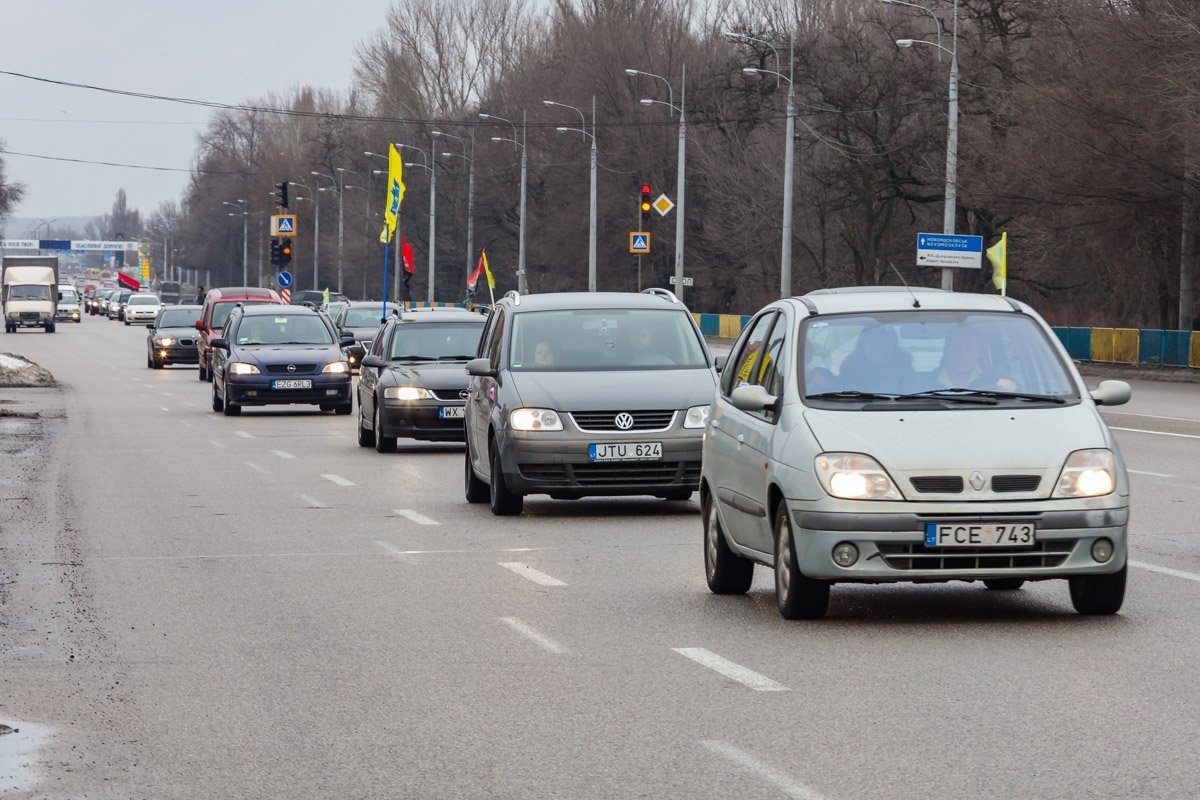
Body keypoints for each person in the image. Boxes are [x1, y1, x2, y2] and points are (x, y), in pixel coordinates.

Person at [836, 325, 912, 393]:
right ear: (863, 347)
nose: (880, 350)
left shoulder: (904, 369)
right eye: (874, 344)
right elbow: (839, 390)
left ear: (894, 349)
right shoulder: (851, 369)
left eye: (885, 345)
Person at [937, 327, 1017, 391]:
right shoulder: (928, 381)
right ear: (946, 351)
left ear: (978, 352)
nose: (963, 355)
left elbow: (1023, 391)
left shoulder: (996, 380)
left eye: (969, 349)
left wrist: (1012, 387)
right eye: (956, 348)